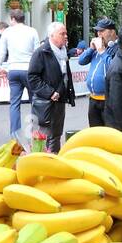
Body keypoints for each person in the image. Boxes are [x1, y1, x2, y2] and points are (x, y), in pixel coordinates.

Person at [27, 21, 76, 151]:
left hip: (59, 101)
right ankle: (41, 163)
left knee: (56, 135)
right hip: (45, 103)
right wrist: (49, 93)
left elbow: (64, 76)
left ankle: (53, 160)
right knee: (42, 136)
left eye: (66, 33)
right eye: (62, 34)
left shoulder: (63, 53)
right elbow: (32, 77)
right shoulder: (41, 53)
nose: (66, 36)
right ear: (52, 35)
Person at [0, 8, 40, 141]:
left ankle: (15, 134)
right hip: (29, 70)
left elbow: (2, 53)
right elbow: (37, 51)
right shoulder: (32, 31)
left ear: (13, 19)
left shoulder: (7, 32)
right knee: (34, 101)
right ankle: (34, 132)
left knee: (14, 103)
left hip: (13, 69)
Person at [78, 18, 118, 128]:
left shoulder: (116, 48)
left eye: (102, 31)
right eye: (97, 31)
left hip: (108, 100)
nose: (99, 34)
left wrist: (102, 52)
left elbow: (114, 68)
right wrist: (91, 49)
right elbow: (81, 61)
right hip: (94, 99)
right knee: (95, 132)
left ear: (112, 32)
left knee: (108, 132)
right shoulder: (96, 48)